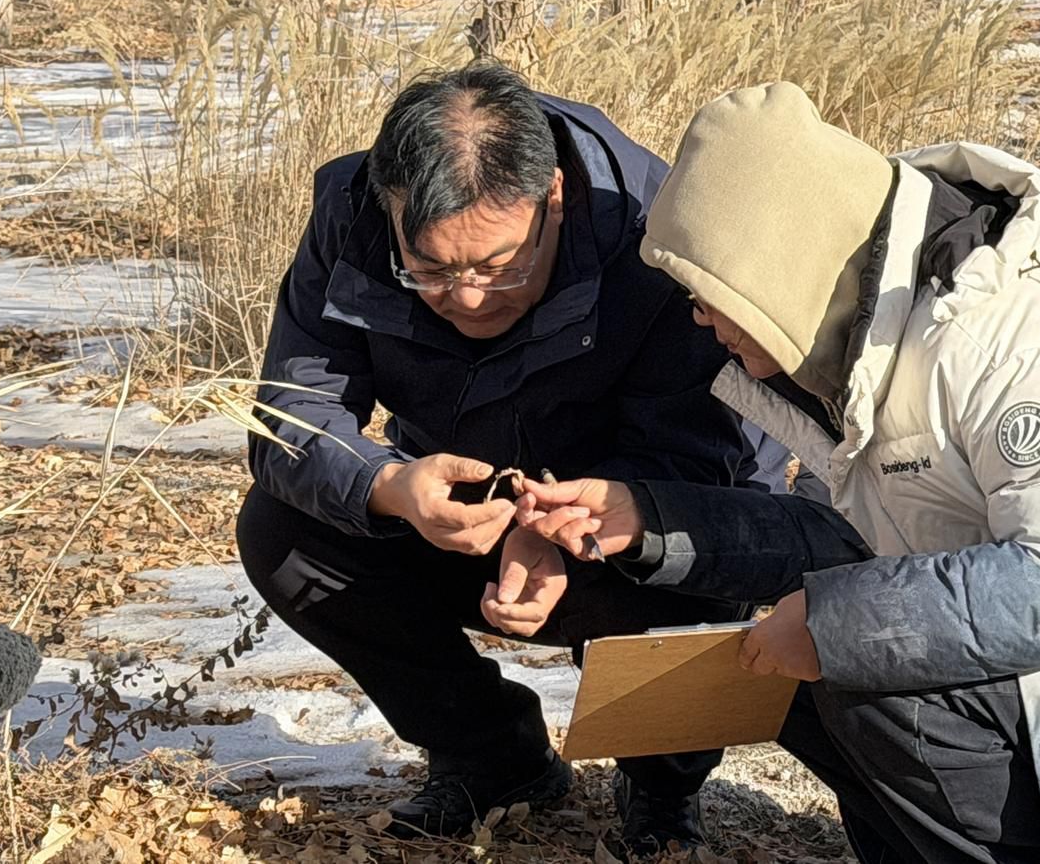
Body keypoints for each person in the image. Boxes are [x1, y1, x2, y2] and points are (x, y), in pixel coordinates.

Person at [503, 82, 1040, 863]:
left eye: (709, 289)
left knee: (858, 667)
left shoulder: (1005, 335)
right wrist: (642, 515)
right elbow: (839, 535)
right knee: (805, 663)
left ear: (779, 272)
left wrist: (837, 624)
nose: (696, 318)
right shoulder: (870, 348)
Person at [234, 64, 783, 857]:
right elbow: (290, 419)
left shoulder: (656, 232)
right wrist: (389, 485)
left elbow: (704, 461)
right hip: (460, 510)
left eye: (499, 266)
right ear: (389, 206)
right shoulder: (350, 217)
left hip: (631, 510)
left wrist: (570, 528)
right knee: (282, 528)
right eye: (429, 269)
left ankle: (663, 780)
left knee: (703, 549)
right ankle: (492, 756)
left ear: (553, 197)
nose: (467, 298)